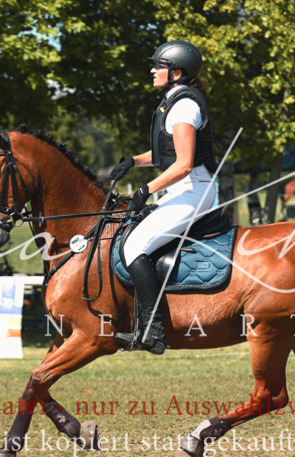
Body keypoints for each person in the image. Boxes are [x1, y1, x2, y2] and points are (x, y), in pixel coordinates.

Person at [109, 40, 219, 354]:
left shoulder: (184, 107)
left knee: (134, 247)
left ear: (177, 73)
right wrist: (133, 161)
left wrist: (145, 190)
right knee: (130, 235)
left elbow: (183, 164)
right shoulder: (173, 102)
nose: (153, 70)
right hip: (183, 189)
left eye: (159, 66)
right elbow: (165, 152)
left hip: (194, 189)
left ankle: (153, 331)